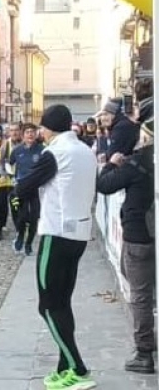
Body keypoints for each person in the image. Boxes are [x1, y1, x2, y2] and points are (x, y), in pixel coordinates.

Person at [14, 104, 97, 390]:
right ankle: (64, 367)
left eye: (42, 128)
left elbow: (25, 185)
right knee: (62, 303)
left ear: (48, 128)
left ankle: (78, 367)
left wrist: (17, 192)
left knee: (48, 305)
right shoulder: (86, 150)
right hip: (79, 233)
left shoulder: (55, 152)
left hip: (56, 232)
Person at [96, 98, 155, 374]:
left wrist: (111, 163)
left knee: (140, 294)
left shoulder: (139, 161)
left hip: (139, 234)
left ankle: (144, 352)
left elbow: (104, 185)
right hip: (145, 231)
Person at [9, 123, 45, 256]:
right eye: (27, 132)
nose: (30, 134)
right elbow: (8, 164)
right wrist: (10, 176)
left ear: (36, 134)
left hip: (36, 188)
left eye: (32, 132)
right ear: (23, 135)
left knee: (34, 217)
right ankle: (20, 236)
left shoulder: (42, 150)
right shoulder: (18, 150)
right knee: (22, 216)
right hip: (21, 187)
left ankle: (29, 243)